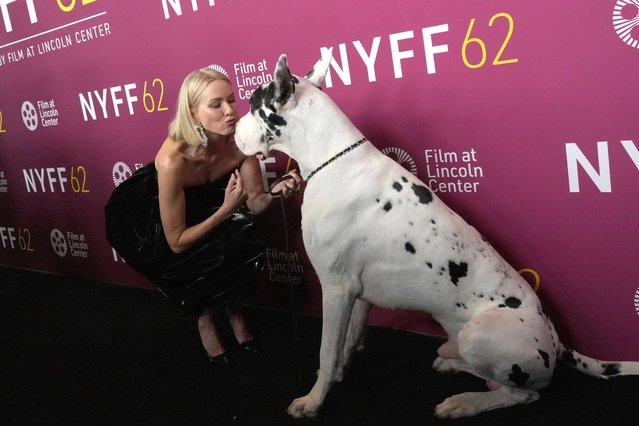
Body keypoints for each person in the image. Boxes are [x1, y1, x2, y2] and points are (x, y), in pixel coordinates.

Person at [105, 67, 301, 368]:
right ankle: (206, 320)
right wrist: (225, 211)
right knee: (196, 259)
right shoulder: (173, 159)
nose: (230, 112)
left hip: (218, 199)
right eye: (216, 105)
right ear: (193, 113)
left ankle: (236, 314)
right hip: (157, 214)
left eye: (232, 100)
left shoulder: (239, 142)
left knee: (241, 235)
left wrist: (276, 193)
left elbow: (256, 202)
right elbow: (178, 242)